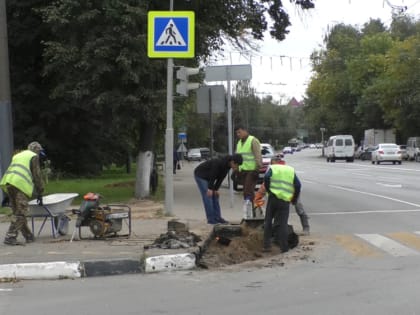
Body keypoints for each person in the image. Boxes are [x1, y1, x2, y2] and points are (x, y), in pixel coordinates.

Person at [0, 142, 45, 245]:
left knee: (18, 211)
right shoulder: (33, 156)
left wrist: (7, 194)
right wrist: (40, 192)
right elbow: (37, 175)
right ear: (36, 150)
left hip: (10, 183)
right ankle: (10, 237)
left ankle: (28, 236)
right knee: (22, 212)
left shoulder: (18, 155)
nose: (39, 154)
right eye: (39, 152)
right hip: (20, 185)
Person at [254, 155, 310, 235]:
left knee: (299, 208)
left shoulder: (285, 170)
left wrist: (294, 198)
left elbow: (297, 185)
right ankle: (279, 229)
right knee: (279, 211)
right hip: (282, 194)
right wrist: (257, 198)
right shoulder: (274, 170)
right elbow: (264, 186)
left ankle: (306, 227)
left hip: (292, 191)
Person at [262, 162, 301, 253]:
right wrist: (294, 199)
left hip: (273, 198)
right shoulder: (290, 170)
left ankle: (266, 246)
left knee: (268, 221)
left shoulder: (272, 168)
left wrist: (269, 190)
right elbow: (298, 185)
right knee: (282, 224)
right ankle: (284, 247)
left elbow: (267, 177)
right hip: (284, 200)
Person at [194, 154, 243, 224]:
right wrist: (210, 189)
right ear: (232, 162)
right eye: (237, 165)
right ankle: (211, 220)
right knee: (208, 196)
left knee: (215, 196)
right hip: (201, 175)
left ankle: (218, 217)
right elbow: (213, 175)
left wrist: (216, 189)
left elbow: (221, 177)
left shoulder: (227, 165)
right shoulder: (219, 162)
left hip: (209, 177)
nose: (237, 167)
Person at [234, 125, 262, 205]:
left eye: (239, 132)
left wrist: (257, 168)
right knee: (247, 192)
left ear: (245, 131)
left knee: (247, 191)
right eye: (237, 133)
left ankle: (250, 211)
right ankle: (254, 208)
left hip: (252, 171)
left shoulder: (253, 140)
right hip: (242, 171)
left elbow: (258, 156)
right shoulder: (239, 143)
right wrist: (236, 169)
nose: (238, 134)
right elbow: (237, 157)